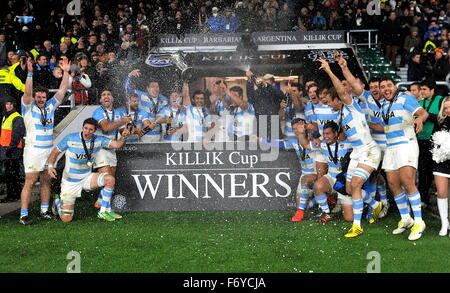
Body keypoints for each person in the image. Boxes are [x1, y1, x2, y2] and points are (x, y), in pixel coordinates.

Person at [319, 56, 383, 238]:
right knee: (349, 189)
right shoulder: (339, 115)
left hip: (370, 150)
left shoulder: (351, 106)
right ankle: (375, 204)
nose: (328, 103)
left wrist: (329, 70)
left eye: (330, 100)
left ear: (338, 99)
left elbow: (341, 90)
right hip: (357, 153)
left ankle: (357, 226)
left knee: (355, 185)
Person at [46, 118, 130, 222]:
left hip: (86, 178)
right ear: (82, 128)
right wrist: (50, 166)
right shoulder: (70, 138)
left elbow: (117, 145)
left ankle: (103, 212)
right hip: (70, 182)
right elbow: (55, 152)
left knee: (110, 179)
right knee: (66, 219)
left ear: (94, 131)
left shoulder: (98, 140)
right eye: (85, 128)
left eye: (90, 129)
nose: (87, 131)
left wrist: (123, 137)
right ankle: (58, 201)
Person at [19, 56, 70, 225]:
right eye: (38, 97)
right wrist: (30, 74)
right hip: (33, 150)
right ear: (34, 97)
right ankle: (24, 215)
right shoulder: (27, 107)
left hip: (48, 150)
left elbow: (62, 90)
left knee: (46, 181)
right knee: (30, 181)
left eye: (43, 97)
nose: (40, 100)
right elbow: (27, 93)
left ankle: (44, 211)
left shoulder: (49, 106)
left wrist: (66, 72)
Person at [378, 77, 429, 240]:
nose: (386, 89)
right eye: (383, 87)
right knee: (393, 184)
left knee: (408, 183)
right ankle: (406, 219)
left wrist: (420, 119)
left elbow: (422, 112)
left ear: (395, 87)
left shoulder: (405, 98)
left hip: (406, 144)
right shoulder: (384, 105)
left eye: (389, 86)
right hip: (391, 147)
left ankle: (419, 222)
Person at [297, 120, 354, 223]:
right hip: (331, 177)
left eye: (328, 134)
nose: (325, 136)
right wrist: (301, 133)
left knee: (349, 218)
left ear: (336, 133)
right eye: (323, 134)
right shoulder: (322, 144)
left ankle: (365, 203)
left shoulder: (348, 144)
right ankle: (327, 213)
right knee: (318, 186)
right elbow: (306, 145)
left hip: (346, 180)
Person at [417, 80, 444, 208]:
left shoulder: (440, 101)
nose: (422, 92)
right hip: (421, 141)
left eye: (424, 89)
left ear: (432, 90)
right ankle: (424, 198)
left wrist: (428, 116)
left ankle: (440, 195)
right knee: (423, 171)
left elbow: (443, 119)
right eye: (421, 89)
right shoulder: (419, 102)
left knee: (436, 172)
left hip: (436, 143)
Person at [125, 69, 168, 142]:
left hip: (159, 136)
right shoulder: (141, 96)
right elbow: (126, 89)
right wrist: (130, 76)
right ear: (147, 89)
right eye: (152, 86)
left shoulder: (164, 100)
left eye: (157, 86)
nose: (155, 89)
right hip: (144, 135)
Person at [0, 96, 25, 203]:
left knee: (12, 174)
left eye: (10, 104)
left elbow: (17, 135)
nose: (8, 106)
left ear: (14, 105)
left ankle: (13, 195)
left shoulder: (17, 117)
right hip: (7, 149)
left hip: (12, 150)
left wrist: (10, 148)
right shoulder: (6, 116)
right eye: (7, 104)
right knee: (10, 174)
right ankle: (13, 195)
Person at [432, 96, 450, 236]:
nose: (448, 110)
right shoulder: (441, 121)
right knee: (442, 192)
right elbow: (434, 140)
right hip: (441, 162)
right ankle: (444, 223)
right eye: (445, 108)